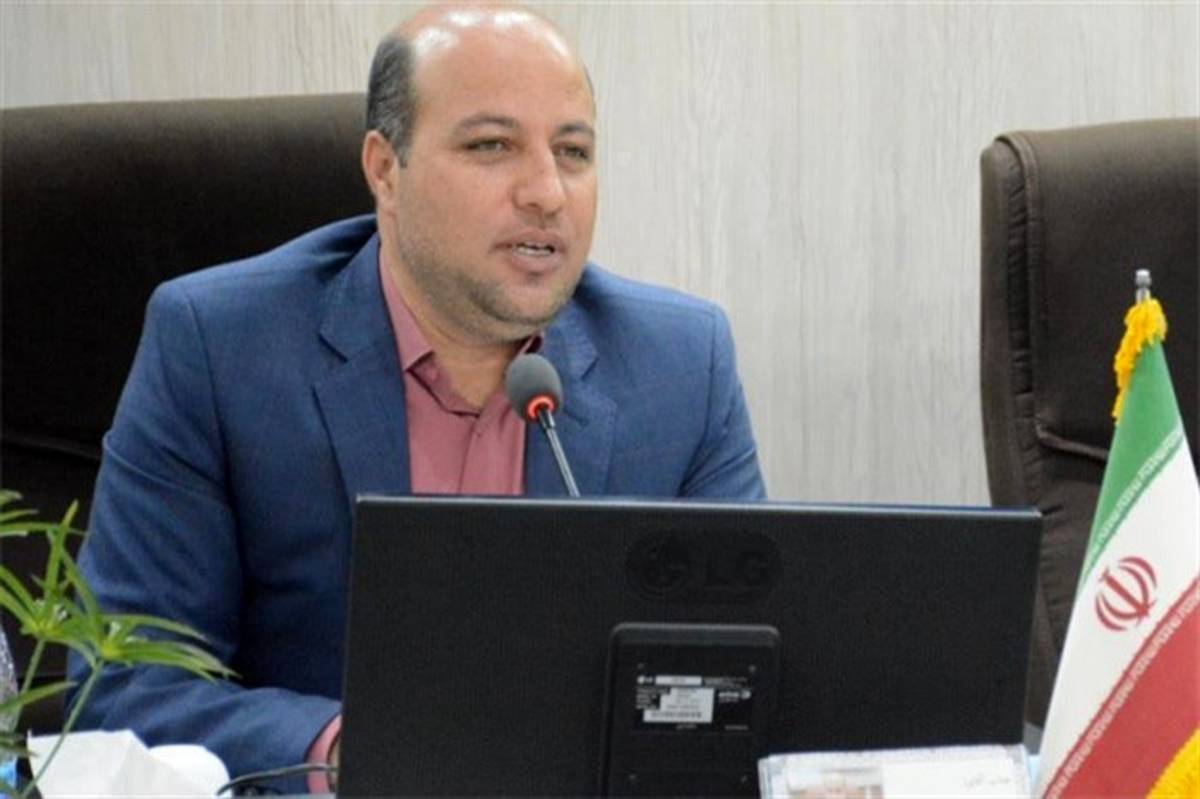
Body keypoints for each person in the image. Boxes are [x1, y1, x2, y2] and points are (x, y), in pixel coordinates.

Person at [69, 2, 765, 791]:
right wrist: (350, 750)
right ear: (384, 170)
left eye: (573, 151)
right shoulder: (218, 349)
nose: (547, 192)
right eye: (492, 145)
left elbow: (749, 677)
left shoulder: (681, 364)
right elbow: (120, 687)